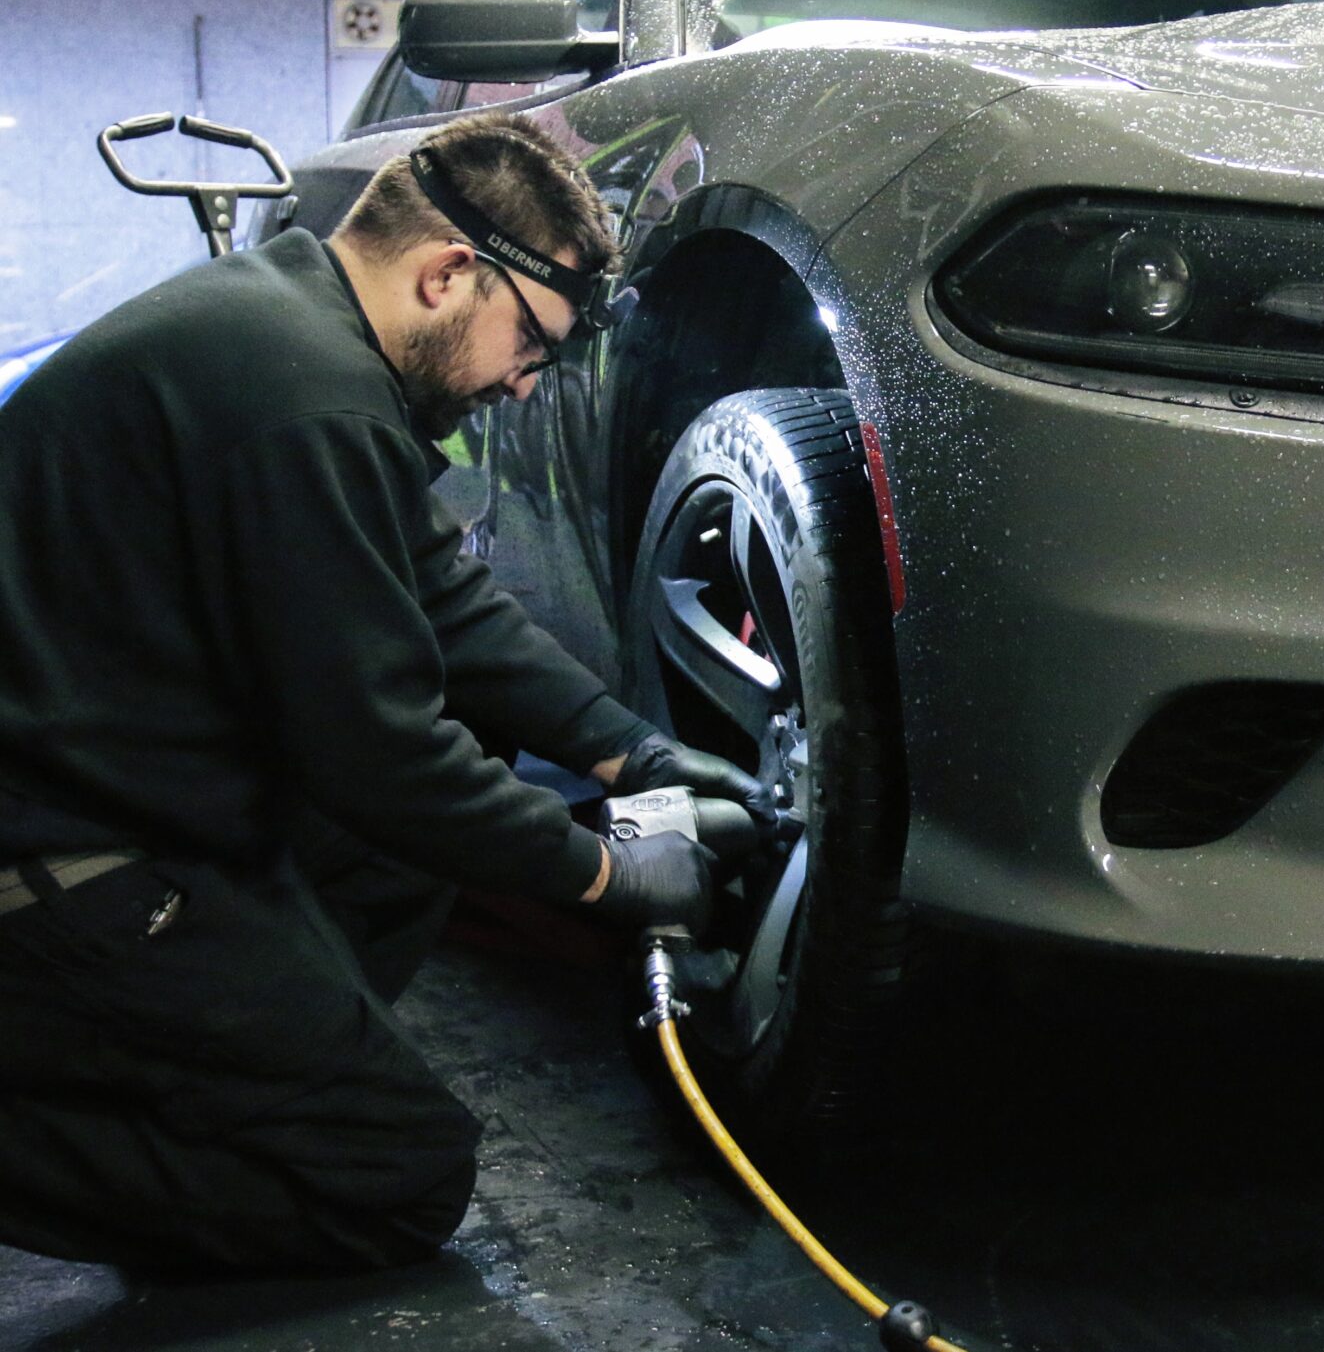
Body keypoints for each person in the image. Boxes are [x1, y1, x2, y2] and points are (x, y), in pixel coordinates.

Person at [0, 111, 770, 1273]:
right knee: (392, 1172)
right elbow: (379, 751)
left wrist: (630, 750)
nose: (525, 385)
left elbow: (442, 601)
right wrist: (605, 873)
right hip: (59, 863)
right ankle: (156, 1102)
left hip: (119, 793)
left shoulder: (293, 326)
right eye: (532, 341)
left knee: (419, 835)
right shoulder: (307, 402)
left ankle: (246, 1064)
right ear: (448, 272)